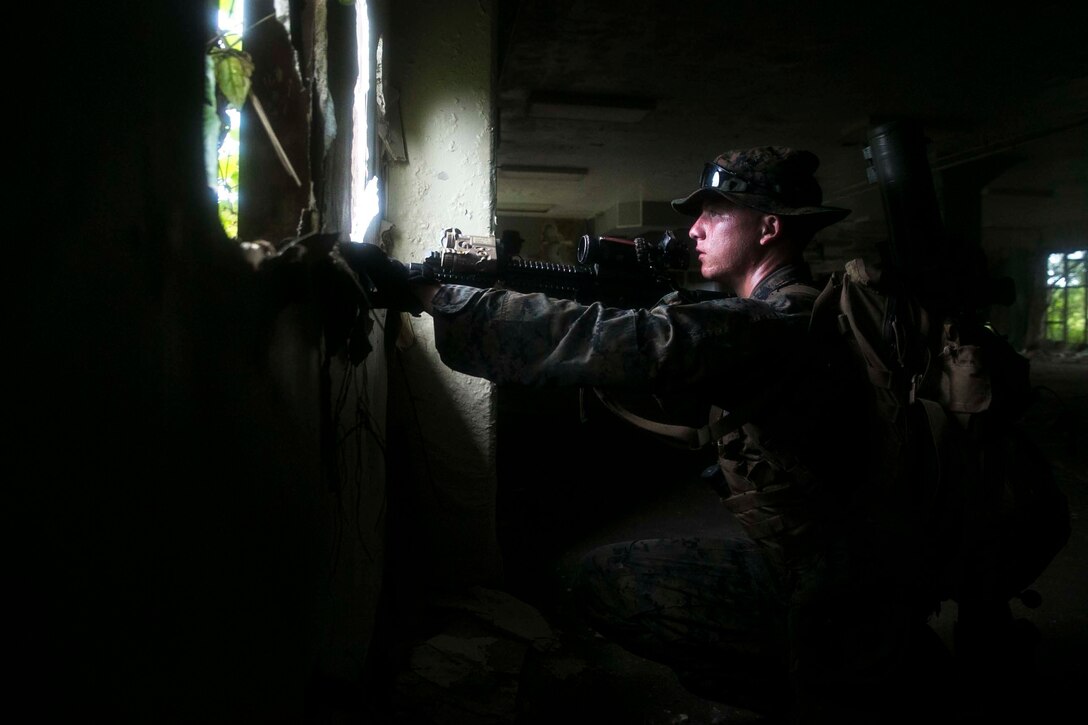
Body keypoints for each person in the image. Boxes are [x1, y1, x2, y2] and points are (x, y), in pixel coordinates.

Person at [349, 147, 954, 723]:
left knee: (603, 584)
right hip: (830, 555)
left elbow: (624, 339)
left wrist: (431, 294)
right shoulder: (789, 310)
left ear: (769, 227)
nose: (694, 228)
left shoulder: (776, 321)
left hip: (841, 581)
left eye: (716, 213)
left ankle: (836, 673)